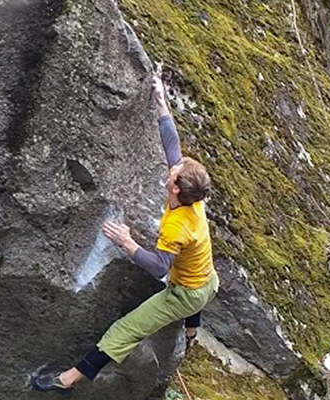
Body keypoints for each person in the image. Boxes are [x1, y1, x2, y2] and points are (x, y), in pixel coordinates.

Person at [31, 76, 219, 393]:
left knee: (126, 329)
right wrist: (161, 102)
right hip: (206, 281)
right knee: (190, 277)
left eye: (174, 171)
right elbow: (172, 146)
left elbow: (160, 267)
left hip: (185, 293)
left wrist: (126, 242)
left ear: (175, 187)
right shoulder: (192, 197)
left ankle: (68, 379)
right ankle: (190, 332)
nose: (172, 166)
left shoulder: (177, 225)